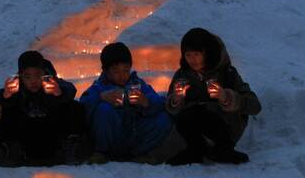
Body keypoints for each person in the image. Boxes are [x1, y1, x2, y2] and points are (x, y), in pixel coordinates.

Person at [166, 28, 261, 164]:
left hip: (225, 127)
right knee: (188, 114)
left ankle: (224, 150)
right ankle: (196, 150)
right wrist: (175, 101)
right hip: (196, 129)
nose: (192, 60)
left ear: (207, 53)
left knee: (204, 111)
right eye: (188, 55)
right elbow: (171, 107)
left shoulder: (227, 73)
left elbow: (255, 106)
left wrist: (226, 97)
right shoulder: (183, 75)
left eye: (197, 54)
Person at [80, 42, 172, 162]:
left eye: (126, 70)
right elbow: (84, 103)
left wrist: (146, 102)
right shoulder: (100, 87)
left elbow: (159, 102)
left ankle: (140, 153)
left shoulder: (137, 84)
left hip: (134, 135)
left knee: (164, 119)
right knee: (104, 109)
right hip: (113, 137)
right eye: (116, 71)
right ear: (106, 71)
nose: (122, 76)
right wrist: (101, 97)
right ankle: (101, 153)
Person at [0, 50, 86, 165]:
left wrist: (59, 93)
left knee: (74, 107)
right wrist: (6, 96)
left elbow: (70, 89)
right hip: (28, 135)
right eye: (27, 77)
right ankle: (13, 148)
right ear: (21, 77)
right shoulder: (17, 88)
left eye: (38, 75)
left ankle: (69, 145)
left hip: (51, 133)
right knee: (5, 108)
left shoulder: (53, 83)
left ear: (44, 73)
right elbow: (1, 98)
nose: (33, 81)